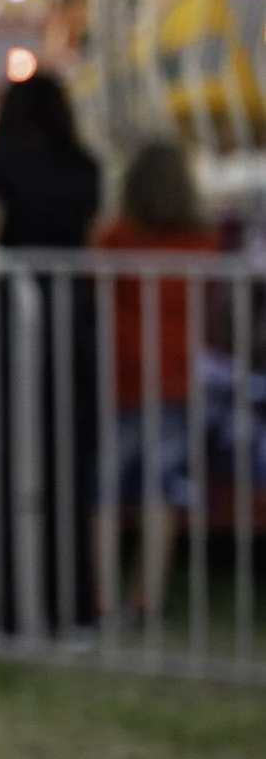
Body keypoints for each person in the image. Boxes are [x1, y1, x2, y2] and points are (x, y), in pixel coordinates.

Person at [0, 68, 102, 635]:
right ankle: (70, 603)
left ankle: (12, 606)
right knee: (70, 464)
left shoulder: (2, 161)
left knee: (11, 460)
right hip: (72, 323)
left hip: (13, 324)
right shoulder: (86, 168)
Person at [93, 132, 218, 619]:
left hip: (122, 377)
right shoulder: (202, 241)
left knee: (103, 489)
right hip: (175, 380)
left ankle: (102, 596)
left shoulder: (117, 237)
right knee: (161, 488)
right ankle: (149, 594)